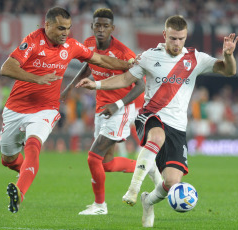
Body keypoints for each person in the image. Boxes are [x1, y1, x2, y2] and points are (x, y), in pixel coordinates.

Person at [76, 15, 238, 227]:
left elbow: (229, 70)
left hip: (178, 127)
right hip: (150, 115)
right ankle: (133, 189)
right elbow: (126, 79)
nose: (176, 43)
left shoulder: (195, 59)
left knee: (171, 183)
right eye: (172, 38)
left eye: (180, 39)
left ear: (186, 37)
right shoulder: (149, 57)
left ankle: (148, 201)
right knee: (157, 135)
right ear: (164, 35)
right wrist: (96, 85)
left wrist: (228, 56)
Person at [0, 6, 133, 214]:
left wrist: (128, 64)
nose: (65, 33)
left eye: (68, 29)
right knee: (8, 159)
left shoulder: (71, 45)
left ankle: (19, 193)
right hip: (15, 109)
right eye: (61, 28)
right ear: (48, 25)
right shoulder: (33, 41)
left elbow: (99, 59)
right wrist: (37, 78)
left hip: (46, 109)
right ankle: (22, 170)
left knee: (33, 146)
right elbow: (6, 68)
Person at [60, 8, 161, 215]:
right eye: (97, 25)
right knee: (106, 164)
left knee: (93, 157)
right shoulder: (88, 44)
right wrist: (70, 86)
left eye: (105, 26)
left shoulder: (124, 54)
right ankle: (147, 166)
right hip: (101, 108)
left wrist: (117, 105)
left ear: (112, 28)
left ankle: (100, 206)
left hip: (119, 109)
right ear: (92, 26)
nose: (101, 29)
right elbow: (90, 64)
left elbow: (140, 87)